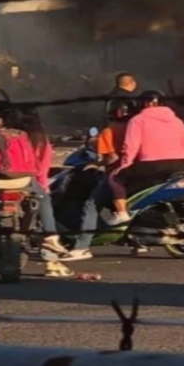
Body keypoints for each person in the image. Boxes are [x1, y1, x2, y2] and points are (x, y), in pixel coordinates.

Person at [0, 105, 67, 256]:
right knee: (44, 199)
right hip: (24, 181)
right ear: (1, 119)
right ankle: (51, 237)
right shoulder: (20, 134)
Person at [57, 98, 134, 262]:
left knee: (91, 205)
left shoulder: (109, 131)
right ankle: (132, 239)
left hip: (116, 176)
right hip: (137, 173)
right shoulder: (136, 128)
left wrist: (95, 164)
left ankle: (82, 247)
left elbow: (111, 158)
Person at [105, 90, 184, 226]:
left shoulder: (137, 120)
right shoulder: (176, 120)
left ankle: (122, 214)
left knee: (115, 179)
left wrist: (124, 165)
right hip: (182, 163)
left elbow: (131, 146)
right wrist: (178, 155)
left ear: (144, 104)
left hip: (152, 164)